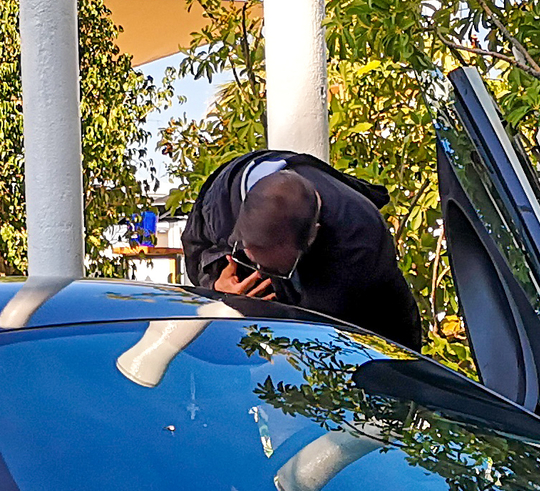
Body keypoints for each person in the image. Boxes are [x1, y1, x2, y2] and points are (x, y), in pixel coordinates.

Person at [180, 150, 425, 352]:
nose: (260, 273)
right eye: (252, 259)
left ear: (311, 236)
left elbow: (314, 338)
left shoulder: (359, 247)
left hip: (378, 332)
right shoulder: (224, 198)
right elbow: (197, 249)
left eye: (275, 270)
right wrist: (217, 288)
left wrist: (253, 311)